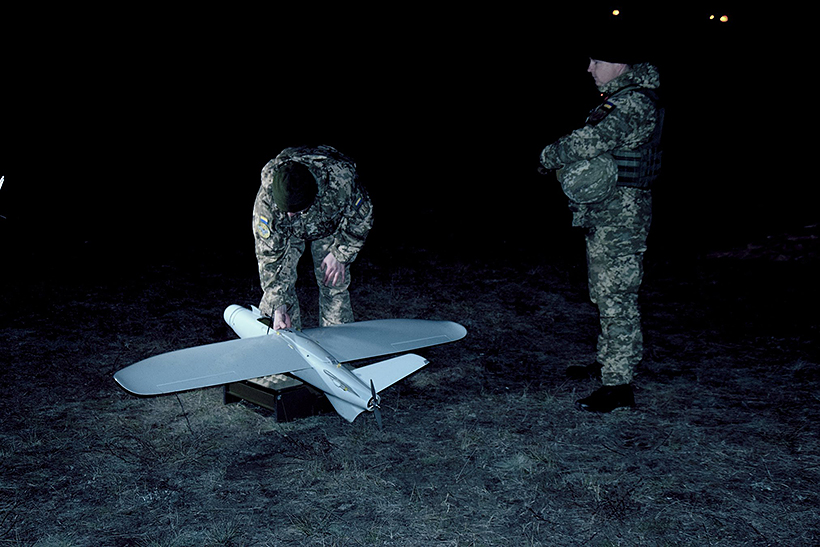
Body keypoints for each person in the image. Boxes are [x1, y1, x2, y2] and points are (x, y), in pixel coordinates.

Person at [539, 36, 664, 412]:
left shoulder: (632, 102)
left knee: (615, 296)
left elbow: (588, 141)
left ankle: (618, 385)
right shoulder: (623, 98)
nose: (589, 68)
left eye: (597, 61)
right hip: (612, 211)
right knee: (607, 292)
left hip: (621, 215)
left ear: (620, 64)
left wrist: (548, 156)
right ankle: (612, 360)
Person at [253, 144, 374, 331]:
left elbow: (362, 219)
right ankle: (287, 337)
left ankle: (338, 340)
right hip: (288, 233)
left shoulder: (340, 181)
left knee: (334, 281)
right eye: (286, 211)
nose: (290, 216)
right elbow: (269, 256)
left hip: (329, 225)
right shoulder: (267, 202)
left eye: (296, 211)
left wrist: (340, 254)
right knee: (278, 299)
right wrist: (278, 304)